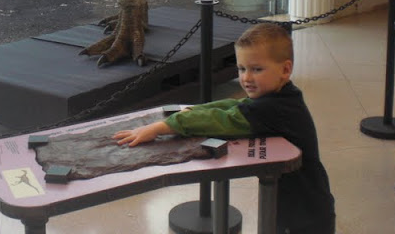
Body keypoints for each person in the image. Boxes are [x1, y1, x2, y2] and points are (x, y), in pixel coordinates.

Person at [113, 22, 335, 234]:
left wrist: (161, 127)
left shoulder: (273, 108)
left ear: (285, 69)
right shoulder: (282, 95)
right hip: (301, 204)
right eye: (241, 68)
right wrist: (194, 111)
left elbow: (222, 119)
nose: (246, 78)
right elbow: (234, 105)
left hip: (304, 213)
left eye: (257, 69)